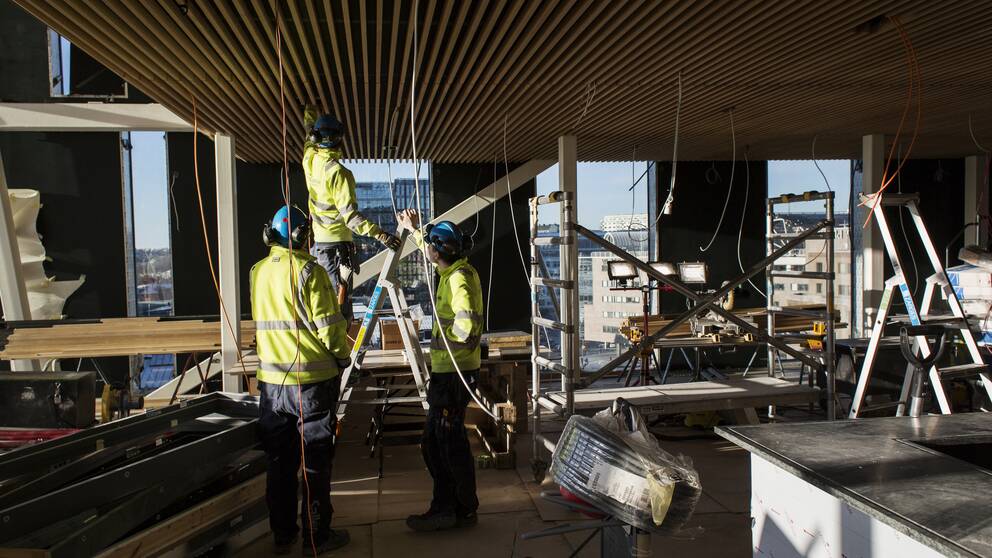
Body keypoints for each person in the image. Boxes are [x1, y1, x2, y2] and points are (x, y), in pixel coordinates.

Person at [251, 206, 352, 555]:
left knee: (279, 464)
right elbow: (329, 328)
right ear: (302, 236)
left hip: (270, 386)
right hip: (310, 385)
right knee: (314, 465)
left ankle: (283, 535)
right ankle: (317, 537)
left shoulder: (257, 272)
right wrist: (342, 356)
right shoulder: (311, 271)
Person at [395, 209, 483, 531]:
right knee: (439, 442)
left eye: (430, 246)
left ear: (440, 252)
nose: (427, 250)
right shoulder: (452, 270)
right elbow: (432, 247)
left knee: (445, 444)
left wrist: (455, 346)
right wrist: (414, 229)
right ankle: (459, 506)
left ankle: (451, 508)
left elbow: (468, 325)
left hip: (453, 376)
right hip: (450, 374)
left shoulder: (458, 279)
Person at [303, 107, 402, 322]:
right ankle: (340, 350)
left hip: (319, 245)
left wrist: (310, 113)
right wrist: (380, 235)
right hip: (338, 247)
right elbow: (351, 218)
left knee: (322, 299)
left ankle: (331, 345)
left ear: (315, 137)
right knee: (339, 303)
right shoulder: (339, 173)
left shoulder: (309, 159)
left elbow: (308, 137)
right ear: (340, 140)